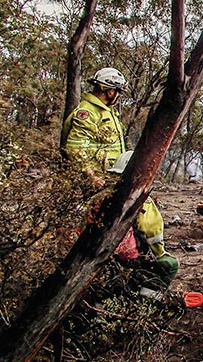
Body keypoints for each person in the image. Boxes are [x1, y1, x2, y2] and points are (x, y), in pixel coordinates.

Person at [108, 151, 179, 291]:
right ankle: (148, 297)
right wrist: (159, 254)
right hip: (130, 260)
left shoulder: (99, 197)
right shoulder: (143, 202)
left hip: (97, 260)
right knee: (169, 264)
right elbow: (151, 232)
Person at [62, 67, 128, 187]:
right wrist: (92, 176)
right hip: (95, 179)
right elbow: (75, 148)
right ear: (110, 92)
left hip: (109, 175)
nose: (119, 96)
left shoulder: (108, 111)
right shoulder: (88, 112)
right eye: (118, 92)